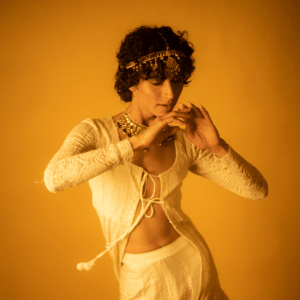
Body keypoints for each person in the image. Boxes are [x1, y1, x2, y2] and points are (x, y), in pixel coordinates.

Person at [44, 25, 268, 300]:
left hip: (194, 263)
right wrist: (137, 143)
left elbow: (257, 191)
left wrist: (217, 147)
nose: (170, 94)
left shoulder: (184, 137)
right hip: (141, 275)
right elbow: (54, 178)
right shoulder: (95, 133)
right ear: (132, 81)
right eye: (157, 82)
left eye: (177, 81)